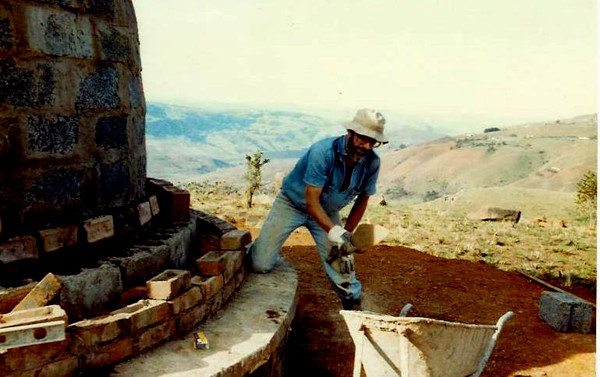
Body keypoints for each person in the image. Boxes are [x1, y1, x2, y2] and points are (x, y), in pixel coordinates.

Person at [247, 108, 387, 310]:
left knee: (343, 268)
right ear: (351, 132)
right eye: (362, 138)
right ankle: (257, 248)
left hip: (327, 213)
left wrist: (346, 235)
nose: (366, 145)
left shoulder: (372, 162)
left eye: (372, 141)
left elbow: (362, 200)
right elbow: (311, 201)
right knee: (259, 265)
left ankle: (354, 309)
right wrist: (334, 231)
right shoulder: (323, 152)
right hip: (292, 204)